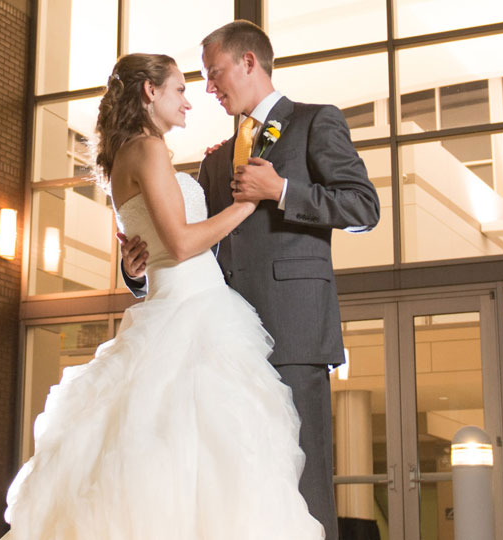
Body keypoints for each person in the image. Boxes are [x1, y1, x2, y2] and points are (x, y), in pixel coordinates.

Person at [0, 52, 323, 540]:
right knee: (215, 466)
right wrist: (249, 203)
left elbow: (144, 250)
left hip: (178, 306)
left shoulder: (125, 157)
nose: (189, 101)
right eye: (179, 89)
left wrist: (136, 270)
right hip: (193, 314)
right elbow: (181, 242)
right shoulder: (147, 151)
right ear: (150, 92)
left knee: (175, 462)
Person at [119, 21, 381, 540]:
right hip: (221, 343)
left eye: (215, 75)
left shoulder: (314, 122)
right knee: (237, 486)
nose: (209, 89)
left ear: (248, 63)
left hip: (293, 331)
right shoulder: (215, 158)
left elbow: (363, 207)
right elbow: (190, 241)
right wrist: (136, 274)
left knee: (303, 487)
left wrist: (282, 188)